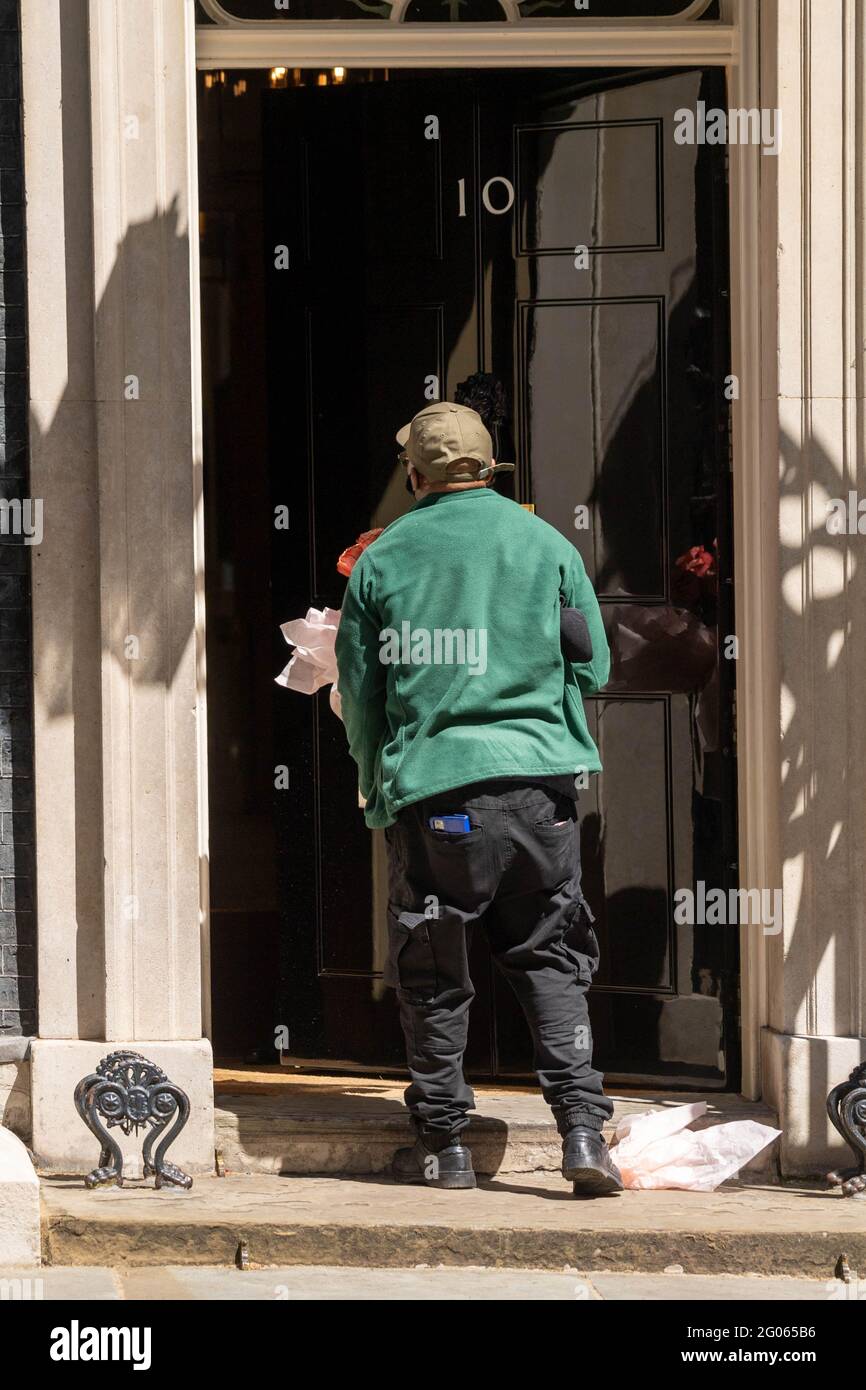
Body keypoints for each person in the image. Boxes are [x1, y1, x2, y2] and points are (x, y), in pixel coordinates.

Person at [334, 400, 622, 1197]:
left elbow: (360, 694)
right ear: (489, 468)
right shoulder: (546, 544)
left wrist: (375, 785)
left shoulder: (385, 559)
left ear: (416, 475)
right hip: (541, 794)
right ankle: (583, 1137)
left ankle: (445, 1149)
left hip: (440, 795)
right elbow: (591, 670)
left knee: (434, 969)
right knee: (551, 958)